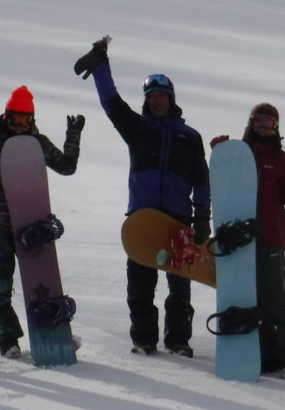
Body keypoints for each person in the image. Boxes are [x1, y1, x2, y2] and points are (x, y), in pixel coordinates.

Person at [74, 37, 209, 357]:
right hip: (142, 219)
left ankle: (178, 340)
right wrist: (101, 66)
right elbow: (111, 102)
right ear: (147, 101)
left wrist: (202, 217)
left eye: (162, 96)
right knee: (140, 284)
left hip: (178, 218)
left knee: (180, 284)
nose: (158, 102)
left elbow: (202, 181)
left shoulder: (189, 137)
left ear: (171, 99)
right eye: (152, 97)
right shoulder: (137, 128)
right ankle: (144, 339)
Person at [209, 103, 285, 379]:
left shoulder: (280, 158)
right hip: (238, 241)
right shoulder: (239, 153)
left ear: (276, 127)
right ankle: (266, 358)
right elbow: (222, 186)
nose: (263, 126)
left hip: (270, 239)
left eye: (268, 123)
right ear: (250, 123)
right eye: (258, 121)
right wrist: (221, 154)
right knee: (249, 298)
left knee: (276, 300)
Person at [0, 85, 83, 357]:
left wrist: (73, 136)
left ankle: (53, 334)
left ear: (32, 119)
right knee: (1, 282)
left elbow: (66, 166)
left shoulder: (37, 143)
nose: (20, 124)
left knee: (43, 281)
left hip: (30, 223)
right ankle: (7, 340)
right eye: (16, 117)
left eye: (25, 118)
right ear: (6, 115)